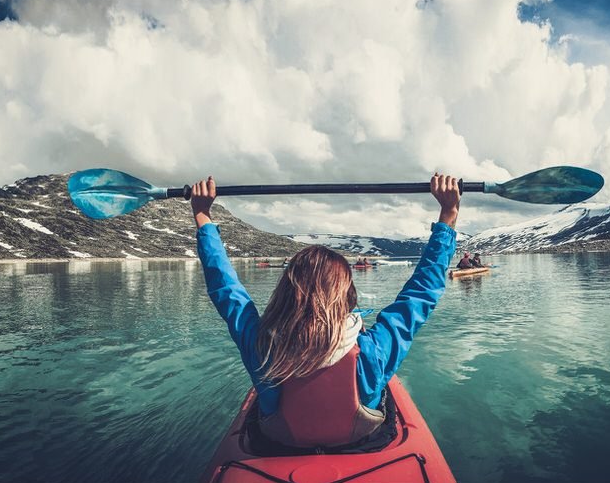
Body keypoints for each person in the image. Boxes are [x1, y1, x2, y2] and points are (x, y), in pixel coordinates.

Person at [190, 172, 459, 450]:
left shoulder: (261, 346)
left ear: (285, 293)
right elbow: (421, 292)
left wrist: (202, 215)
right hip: (360, 443)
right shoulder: (373, 351)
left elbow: (225, 289)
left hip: (281, 444)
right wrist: (448, 214)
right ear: (346, 296)